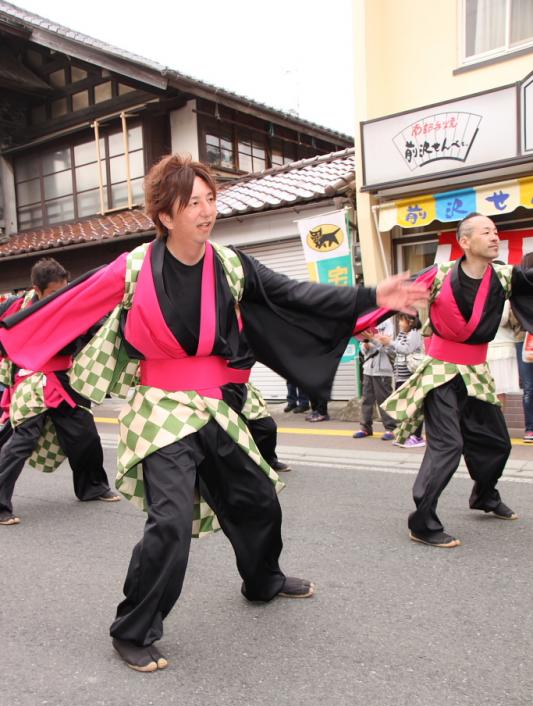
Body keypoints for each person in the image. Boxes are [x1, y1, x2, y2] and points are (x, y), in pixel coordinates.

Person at [0, 154, 427, 671]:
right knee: (171, 521)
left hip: (216, 406)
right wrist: (16, 339)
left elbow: (295, 294)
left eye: (210, 199)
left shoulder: (230, 264)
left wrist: (372, 295)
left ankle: (263, 579)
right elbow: (70, 305)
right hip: (160, 409)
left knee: (258, 498)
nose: (206, 211)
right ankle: (133, 628)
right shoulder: (134, 267)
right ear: (165, 215)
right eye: (193, 203)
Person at [381, 213, 533, 548]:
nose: (494, 237)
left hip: (476, 372)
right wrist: (357, 320)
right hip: (442, 372)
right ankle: (422, 522)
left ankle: (484, 496)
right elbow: (391, 298)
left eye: (496, 231)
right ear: (464, 241)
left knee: (498, 443)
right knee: (448, 444)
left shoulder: (504, 276)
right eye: (486, 232)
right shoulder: (439, 274)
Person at [0, 258, 119, 526]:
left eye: (63, 289)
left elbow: (96, 328)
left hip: (63, 378)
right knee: (23, 439)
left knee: (85, 433)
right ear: (37, 289)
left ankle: (92, 487)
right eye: (53, 292)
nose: (60, 295)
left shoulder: (72, 303)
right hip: (30, 378)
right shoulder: (16, 306)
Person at [352, 319, 397, 441]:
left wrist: (372, 339)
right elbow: (362, 348)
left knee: (384, 400)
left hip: (383, 369)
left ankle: (391, 428)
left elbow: (387, 346)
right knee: (366, 399)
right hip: (368, 368)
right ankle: (365, 427)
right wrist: (365, 346)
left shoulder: (387, 323)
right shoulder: (368, 322)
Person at [390, 313, 425, 448]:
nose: (399, 323)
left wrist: (390, 342)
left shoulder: (414, 334)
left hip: (410, 377)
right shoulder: (401, 334)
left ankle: (417, 437)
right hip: (400, 377)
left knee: (413, 408)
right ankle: (404, 436)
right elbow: (395, 350)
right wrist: (379, 341)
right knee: (404, 408)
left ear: (410, 321)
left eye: (401, 320)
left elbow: (406, 349)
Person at [513, 253, 533, 444]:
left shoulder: (517, 287)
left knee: (529, 387)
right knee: (529, 387)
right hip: (524, 341)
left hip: (522, 340)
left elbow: (512, 320)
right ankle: (530, 429)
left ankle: (530, 429)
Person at [486, 299, 520, 405]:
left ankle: (499, 415)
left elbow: (502, 319)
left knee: (499, 390)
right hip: (485, 347)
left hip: (502, 347)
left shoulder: (503, 297)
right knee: (486, 390)